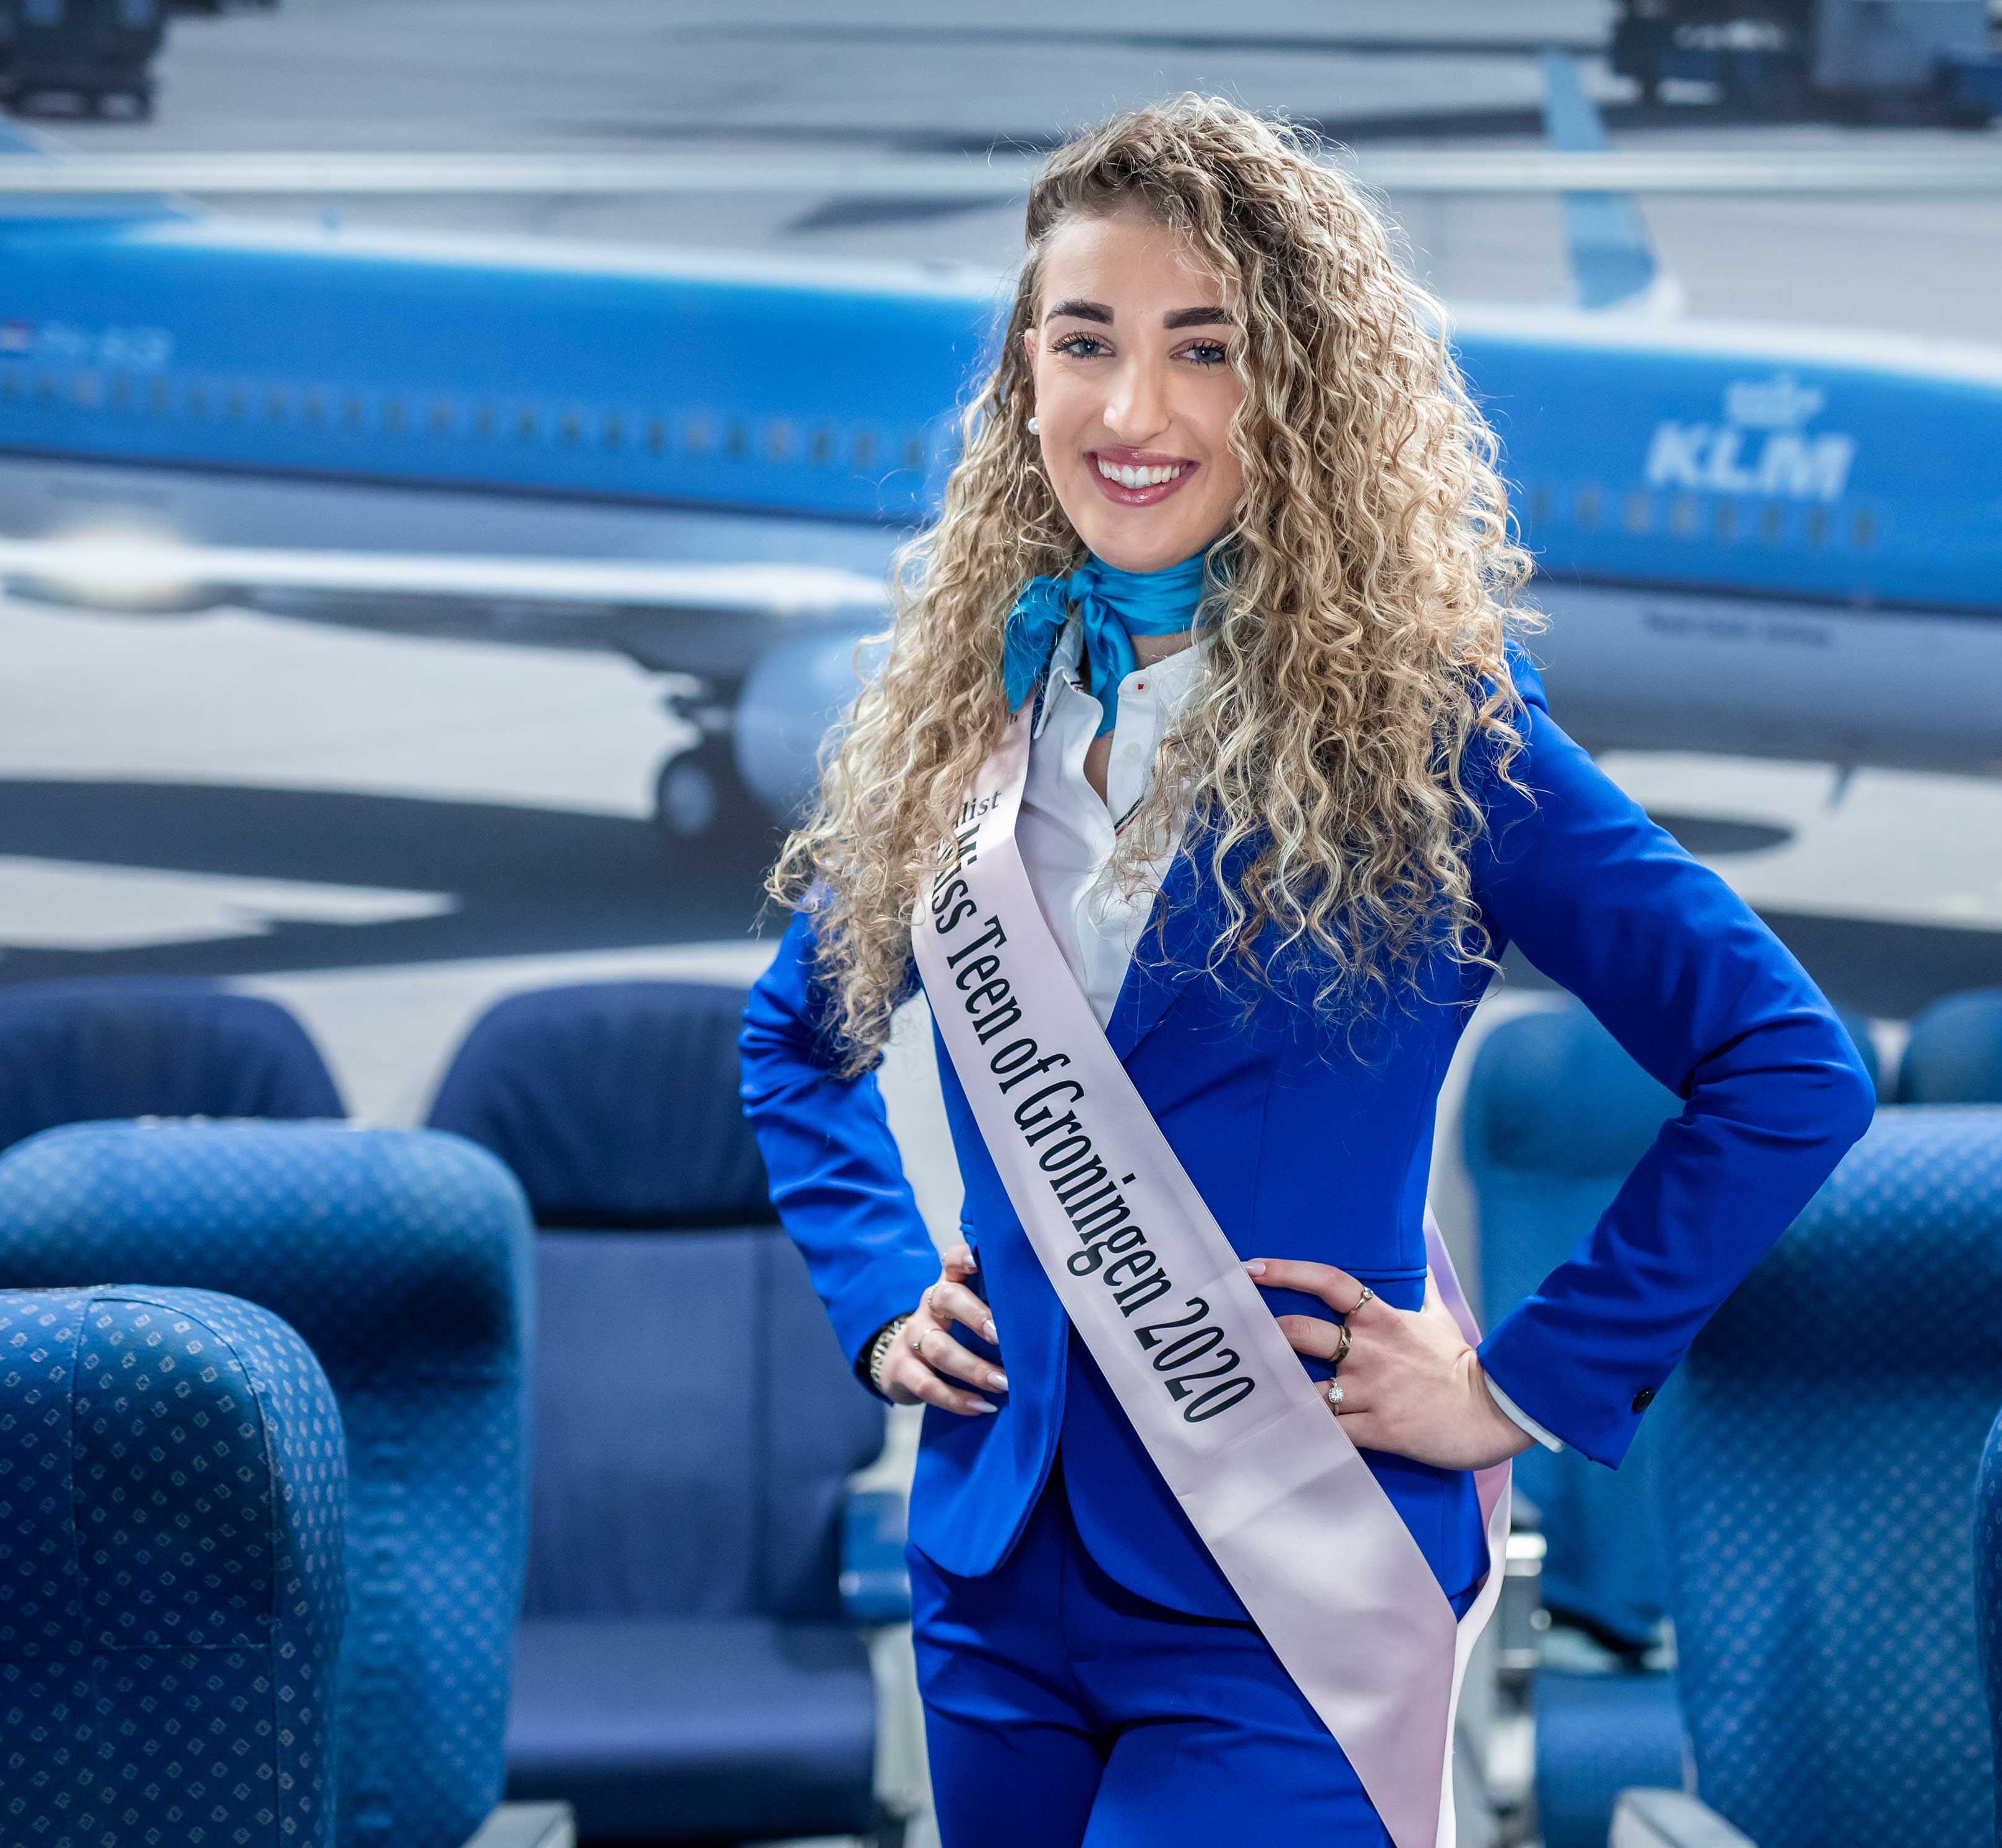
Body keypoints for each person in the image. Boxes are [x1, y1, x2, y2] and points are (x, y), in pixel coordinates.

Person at [739, 94, 1876, 1847]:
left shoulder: (1436, 741)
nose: (1134, 411)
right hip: (993, 1573)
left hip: (1292, 1567)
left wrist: (1517, 1386)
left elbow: (1785, 1062)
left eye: (1207, 351)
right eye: (1086, 342)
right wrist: (885, 1291)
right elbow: (794, 1039)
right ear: (1020, 378)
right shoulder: (976, 719)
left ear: (1299, 391)